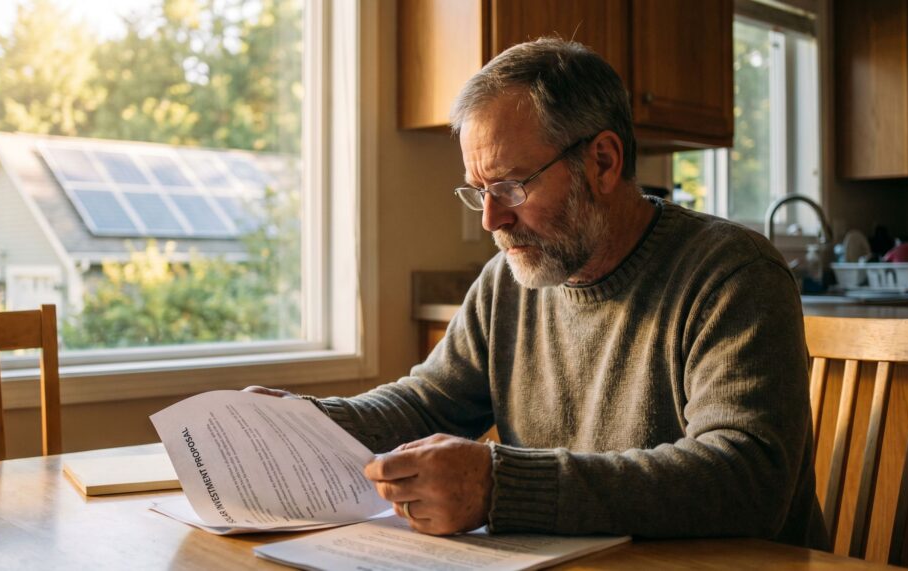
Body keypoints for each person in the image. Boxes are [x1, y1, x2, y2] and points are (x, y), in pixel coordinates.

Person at [247, 37, 829, 549]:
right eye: (479, 190)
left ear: (602, 161)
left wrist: (501, 485)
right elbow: (427, 403)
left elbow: (747, 478)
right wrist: (308, 423)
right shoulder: (510, 281)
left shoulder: (731, 273)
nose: (491, 219)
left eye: (510, 185)